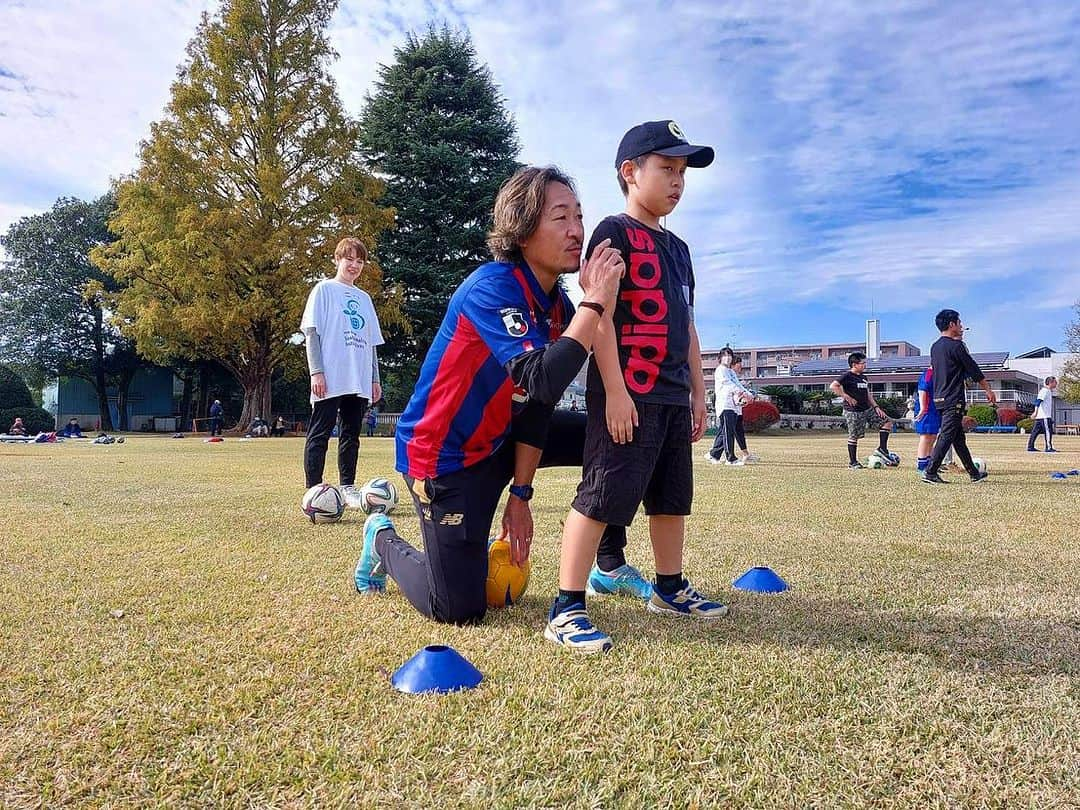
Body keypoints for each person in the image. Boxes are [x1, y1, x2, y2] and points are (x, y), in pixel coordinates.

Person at [353, 165, 630, 626]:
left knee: (613, 436)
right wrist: (595, 302)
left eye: (579, 216)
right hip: (446, 457)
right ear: (522, 230)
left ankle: (608, 564)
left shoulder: (557, 305)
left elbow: (539, 403)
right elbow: (542, 377)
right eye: (560, 217)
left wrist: (521, 495)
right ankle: (381, 538)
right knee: (458, 609)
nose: (577, 230)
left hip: (501, 437)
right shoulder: (492, 288)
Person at [547, 120, 730, 655]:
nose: (677, 181)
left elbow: (689, 325)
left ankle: (669, 589)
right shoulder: (612, 233)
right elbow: (598, 315)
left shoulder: (680, 249)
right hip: (628, 394)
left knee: (671, 499)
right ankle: (567, 605)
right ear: (630, 173)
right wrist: (616, 389)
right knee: (603, 495)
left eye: (682, 172)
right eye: (666, 168)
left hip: (673, 396)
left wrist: (700, 393)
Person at [301, 237, 385, 508]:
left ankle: (348, 486)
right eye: (349, 259)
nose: (354, 265)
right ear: (337, 259)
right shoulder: (324, 290)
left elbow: (371, 342)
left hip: (358, 378)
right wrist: (317, 372)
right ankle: (314, 490)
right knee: (320, 431)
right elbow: (311, 333)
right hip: (331, 376)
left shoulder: (364, 298)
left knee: (351, 434)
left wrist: (374, 379)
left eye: (360, 261)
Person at [922, 309, 996, 484]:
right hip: (953, 399)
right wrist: (988, 390)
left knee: (958, 439)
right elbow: (974, 369)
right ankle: (930, 472)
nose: (961, 326)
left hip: (939, 398)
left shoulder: (935, 347)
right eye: (959, 322)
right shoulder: (956, 346)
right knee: (947, 435)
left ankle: (974, 473)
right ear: (951, 324)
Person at [830, 352, 896, 470]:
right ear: (854, 364)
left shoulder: (863, 377)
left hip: (867, 408)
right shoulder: (847, 376)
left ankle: (882, 449)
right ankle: (853, 462)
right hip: (853, 411)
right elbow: (834, 386)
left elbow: (867, 393)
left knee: (887, 422)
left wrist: (876, 407)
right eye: (863, 363)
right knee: (854, 436)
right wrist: (847, 397)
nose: (865, 365)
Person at [706, 350, 756, 465]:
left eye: (729, 356)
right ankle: (730, 459)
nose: (727, 358)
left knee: (726, 432)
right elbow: (729, 385)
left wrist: (748, 394)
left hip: (733, 406)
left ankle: (714, 454)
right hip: (725, 405)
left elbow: (737, 385)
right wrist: (742, 393)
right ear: (720, 357)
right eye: (724, 356)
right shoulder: (720, 370)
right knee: (728, 432)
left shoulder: (730, 372)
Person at [913, 366, 957, 474]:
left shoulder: (942, 373)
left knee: (932, 437)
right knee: (926, 437)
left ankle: (930, 463)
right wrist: (923, 408)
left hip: (935, 409)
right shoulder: (929, 373)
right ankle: (921, 465)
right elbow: (922, 389)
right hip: (926, 409)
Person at [1027, 376, 1058, 452]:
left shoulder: (1048, 391)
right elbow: (1038, 401)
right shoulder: (1045, 391)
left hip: (1040, 416)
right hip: (1044, 416)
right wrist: (1035, 412)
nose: (1056, 384)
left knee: (1035, 432)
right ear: (1050, 382)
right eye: (1055, 382)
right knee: (1048, 431)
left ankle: (1030, 447)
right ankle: (1048, 447)